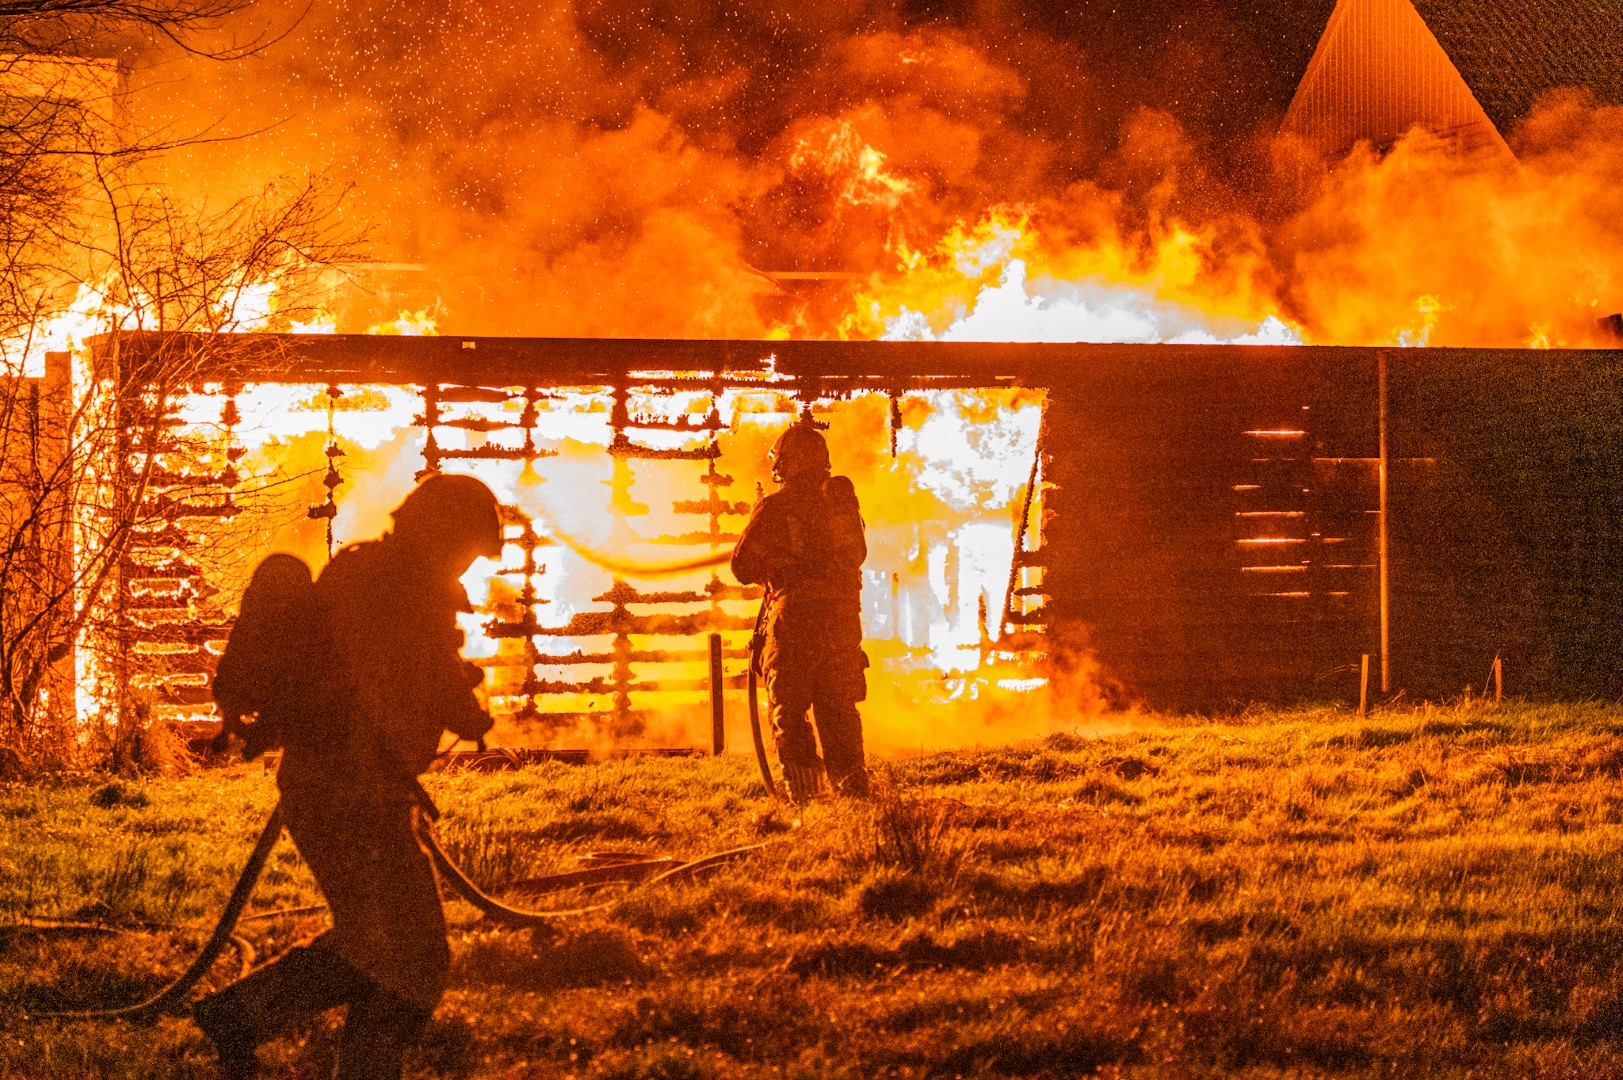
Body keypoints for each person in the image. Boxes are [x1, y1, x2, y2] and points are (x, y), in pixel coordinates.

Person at [195, 474, 502, 1080]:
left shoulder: (374, 574)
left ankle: (256, 1020)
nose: (468, 566)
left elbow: (382, 672)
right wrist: (464, 705)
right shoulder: (401, 586)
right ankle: (250, 1018)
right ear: (444, 535)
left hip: (343, 786)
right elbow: (417, 676)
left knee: (383, 946)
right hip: (348, 791)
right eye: (467, 549)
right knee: (410, 956)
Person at [731, 419, 871, 802]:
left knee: (790, 709)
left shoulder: (776, 508)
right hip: (843, 619)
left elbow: (741, 567)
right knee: (839, 705)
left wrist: (773, 547)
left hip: (796, 620)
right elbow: (855, 555)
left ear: (785, 464)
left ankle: (808, 797)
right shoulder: (841, 499)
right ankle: (853, 789)